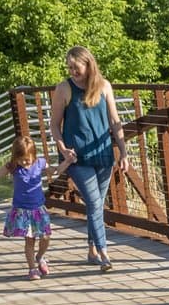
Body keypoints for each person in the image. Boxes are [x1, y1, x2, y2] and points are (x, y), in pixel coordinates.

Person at [47, 45, 127, 272]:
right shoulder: (64, 89)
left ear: (88, 64)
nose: (73, 71)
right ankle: (103, 252)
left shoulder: (104, 86)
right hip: (77, 158)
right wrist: (62, 147)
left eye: (76, 67)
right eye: (70, 67)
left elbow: (115, 121)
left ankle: (92, 249)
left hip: (103, 155)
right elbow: (54, 124)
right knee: (93, 203)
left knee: (97, 205)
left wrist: (123, 151)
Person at [0, 131, 76, 281]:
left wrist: (68, 161)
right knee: (29, 240)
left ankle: (40, 256)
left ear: (34, 155)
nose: (25, 163)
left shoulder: (40, 163)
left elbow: (56, 171)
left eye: (27, 159)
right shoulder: (12, 167)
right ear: (15, 158)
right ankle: (32, 269)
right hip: (23, 210)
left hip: (38, 208)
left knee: (46, 237)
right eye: (21, 160)